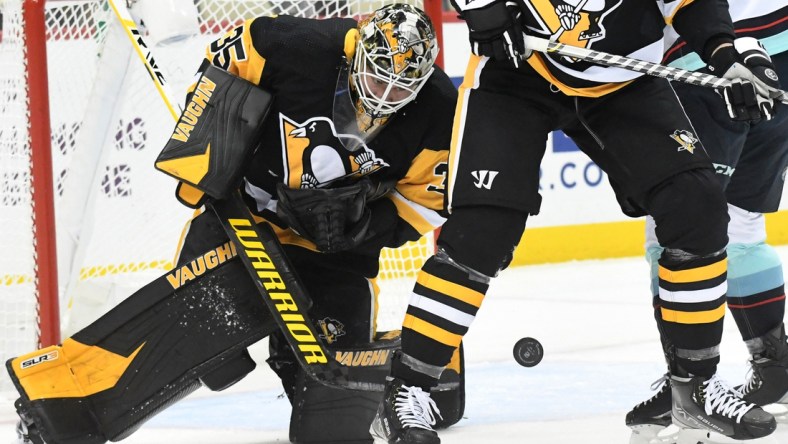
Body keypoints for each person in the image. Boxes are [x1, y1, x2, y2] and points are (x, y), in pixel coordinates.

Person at [12, 4, 462, 444]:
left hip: (334, 255)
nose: (383, 95)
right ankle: (64, 404)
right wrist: (207, 158)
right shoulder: (286, 44)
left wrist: (362, 226)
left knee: (330, 427)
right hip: (245, 225)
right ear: (358, 51)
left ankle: (421, 362)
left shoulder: (440, 110)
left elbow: (422, 203)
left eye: (401, 88)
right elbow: (217, 80)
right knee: (192, 345)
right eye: (376, 75)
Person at [368, 1, 783, 443]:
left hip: (621, 78)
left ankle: (694, 386)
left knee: (697, 205)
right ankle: (406, 389)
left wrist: (725, 56)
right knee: (481, 233)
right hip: (516, 73)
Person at [626, 2, 788, 442]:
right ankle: (774, 367)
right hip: (779, 46)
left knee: (678, 224)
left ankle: (688, 385)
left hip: (709, 59)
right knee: (743, 222)